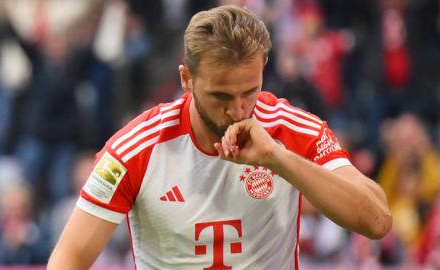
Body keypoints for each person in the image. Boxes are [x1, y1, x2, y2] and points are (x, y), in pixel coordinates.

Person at [48, 5, 392, 269]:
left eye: (250, 91)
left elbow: (377, 220)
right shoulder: (134, 149)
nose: (238, 110)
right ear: (186, 79)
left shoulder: (292, 130)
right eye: (220, 97)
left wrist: (278, 158)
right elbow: (68, 258)